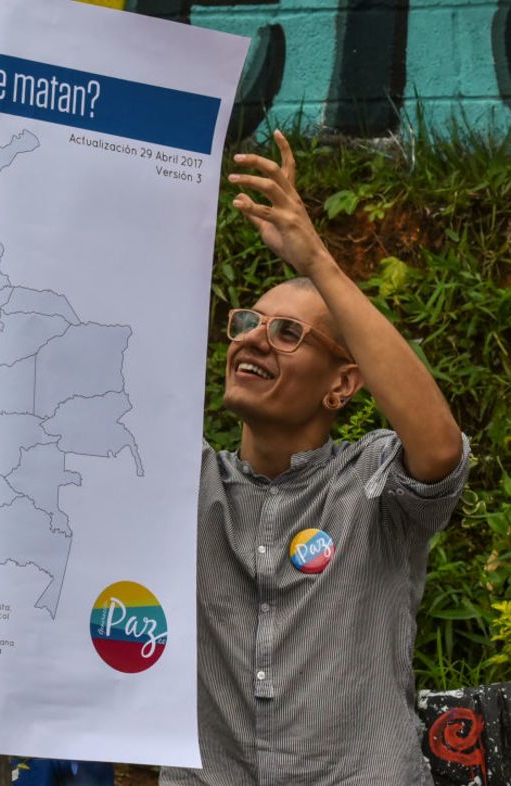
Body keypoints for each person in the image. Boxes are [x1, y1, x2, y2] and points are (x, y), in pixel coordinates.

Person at [161, 132, 469, 785]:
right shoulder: (182, 488)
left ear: (341, 385)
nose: (255, 340)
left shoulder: (374, 485)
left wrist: (317, 260)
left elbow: (439, 447)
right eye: (249, 322)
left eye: (288, 332)